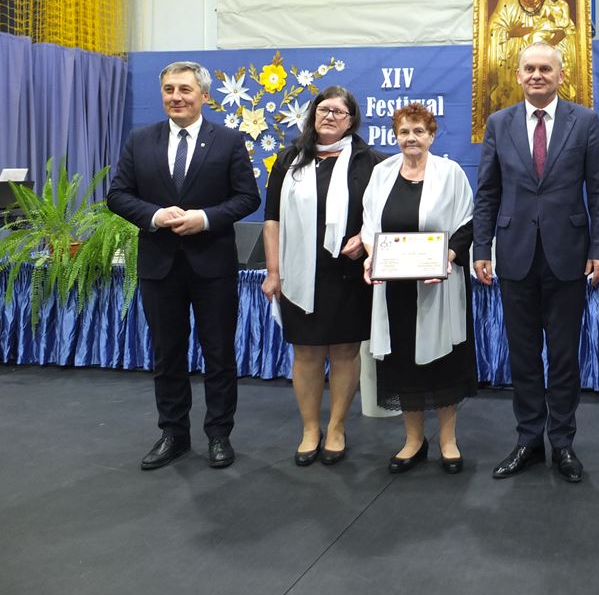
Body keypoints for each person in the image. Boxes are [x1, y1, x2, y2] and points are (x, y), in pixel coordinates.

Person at [108, 61, 260, 470]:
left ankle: (219, 434)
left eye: (185, 90)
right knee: (167, 354)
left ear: (204, 96)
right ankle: (173, 434)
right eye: (169, 89)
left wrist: (205, 218)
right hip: (159, 267)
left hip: (213, 267)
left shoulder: (228, 141)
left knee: (219, 354)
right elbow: (118, 195)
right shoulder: (140, 140)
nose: (176, 97)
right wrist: (156, 215)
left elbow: (248, 198)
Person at [474, 41, 599, 483]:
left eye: (545, 69)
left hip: (568, 256)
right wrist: (481, 248)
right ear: (518, 75)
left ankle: (563, 442)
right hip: (514, 255)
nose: (537, 75)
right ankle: (529, 440)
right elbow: (487, 191)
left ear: (560, 75)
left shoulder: (584, 121)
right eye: (529, 68)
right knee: (523, 355)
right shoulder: (499, 123)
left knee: (565, 356)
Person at [261, 86, 383, 466]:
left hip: (347, 272)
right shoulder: (289, 159)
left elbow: (382, 215)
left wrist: (365, 239)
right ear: (313, 114)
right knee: (307, 352)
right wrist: (273, 271)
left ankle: (336, 428)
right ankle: (310, 429)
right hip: (298, 271)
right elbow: (271, 219)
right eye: (323, 109)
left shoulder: (369, 162)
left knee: (346, 351)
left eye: (338, 112)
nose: (329, 116)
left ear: (351, 120)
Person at [361, 103, 476, 474]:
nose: (411, 138)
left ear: (432, 135)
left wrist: (448, 256)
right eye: (404, 132)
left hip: (438, 285)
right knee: (402, 364)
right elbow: (369, 225)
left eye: (418, 131)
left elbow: (467, 223)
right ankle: (413, 440)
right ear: (395, 136)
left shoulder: (450, 173)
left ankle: (448, 440)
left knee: (444, 364)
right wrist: (371, 257)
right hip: (394, 288)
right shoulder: (381, 174)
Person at [486, 0, 552, 111]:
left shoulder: (549, 3)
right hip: (512, 63)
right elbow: (493, 29)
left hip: (541, 65)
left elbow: (561, 30)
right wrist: (511, 34)